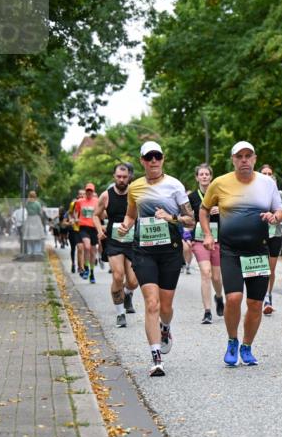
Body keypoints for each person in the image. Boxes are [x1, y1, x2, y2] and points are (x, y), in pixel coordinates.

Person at [200, 141, 282, 367]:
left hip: (258, 250)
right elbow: (204, 209)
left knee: (256, 303)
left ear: (255, 158)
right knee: (234, 298)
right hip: (230, 250)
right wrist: (208, 234)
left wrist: (275, 217)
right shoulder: (219, 183)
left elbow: (280, 210)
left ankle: (247, 346)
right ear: (233, 159)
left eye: (248, 156)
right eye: (240, 156)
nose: (244, 160)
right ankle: (232, 341)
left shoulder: (267, 183)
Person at [116, 141, 194, 377]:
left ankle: (165, 327)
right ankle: (156, 357)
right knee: (152, 303)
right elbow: (131, 215)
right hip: (144, 251)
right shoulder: (135, 187)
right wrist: (125, 226)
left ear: (163, 159)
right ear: (142, 161)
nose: (153, 161)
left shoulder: (175, 186)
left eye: (157, 157)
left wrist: (171, 217)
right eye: (148, 157)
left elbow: (190, 220)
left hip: (170, 250)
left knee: (166, 307)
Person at [95, 163, 140, 328]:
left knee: (134, 281)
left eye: (124, 177)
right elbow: (95, 215)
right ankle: (120, 313)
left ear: (129, 177)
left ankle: (128, 294)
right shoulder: (106, 196)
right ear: (114, 176)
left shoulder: (135, 194)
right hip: (114, 241)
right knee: (118, 276)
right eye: (118, 177)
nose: (121, 180)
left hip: (132, 241)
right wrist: (100, 229)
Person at [187, 164, 225, 324]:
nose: (204, 177)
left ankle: (218, 297)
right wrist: (186, 236)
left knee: (217, 277)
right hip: (199, 240)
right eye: (201, 174)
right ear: (197, 177)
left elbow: (231, 213)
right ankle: (207, 311)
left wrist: (221, 210)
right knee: (205, 272)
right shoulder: (192, 198)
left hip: (217, 240)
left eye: (206, 174)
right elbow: (188, 218)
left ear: (211, 177)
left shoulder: (219, 195)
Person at [259, 164, 282, 315]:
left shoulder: (280, 195)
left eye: (270, 173)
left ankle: (268, 297)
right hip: (258, 235)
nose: (267, 176)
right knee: (260, 268)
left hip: (275, 235)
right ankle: (257, 297)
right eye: (264, 173)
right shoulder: (254, 193)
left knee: (270, 269)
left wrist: (278, 217)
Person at [75, 184, 99, 281]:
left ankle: (92, 273)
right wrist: (76, 219)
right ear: (85, 191)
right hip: (83, 227)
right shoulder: (80, 201)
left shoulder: (97, 201)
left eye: (91, 191)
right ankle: (86, 268)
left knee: (93, 252)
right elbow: (75, 212)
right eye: (87, 191)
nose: (89, 193)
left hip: (94, 228)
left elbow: (101, 213)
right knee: (87, 246)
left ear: (93, 192)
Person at [22, 191, 46, 256]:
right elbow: (40, 212)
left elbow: (26, 208)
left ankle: (29, 251)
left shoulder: (27, 203)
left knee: (29, 236)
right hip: (36, 219)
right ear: (35, 195)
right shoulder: (37, 203)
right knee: (37, 236)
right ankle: (37, 251)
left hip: (29, 219)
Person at [67, 188, 83, 273]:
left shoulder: (86, 204)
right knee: (73, 247)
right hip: (73, 229)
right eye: (80, 194)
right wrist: (71, 220)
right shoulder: (73, 203)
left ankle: (80, 266)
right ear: (77, 195)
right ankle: (73, 264)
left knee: (80, 248)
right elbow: (69, 213)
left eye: (83, 194)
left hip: (83, 229)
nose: (82, 196)